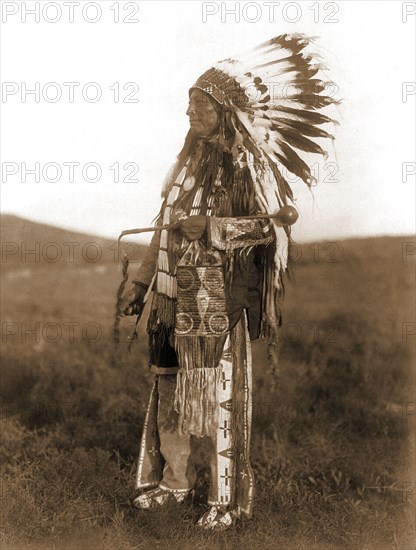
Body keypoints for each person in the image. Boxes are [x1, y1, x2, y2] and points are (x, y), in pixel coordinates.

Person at [119, 33, 337, 531]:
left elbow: (277, 223)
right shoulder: (186, 166)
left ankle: (226, 497)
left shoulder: (248, 167)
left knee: (219, 396)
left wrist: (214, 229)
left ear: (226, 112)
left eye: (201, 106)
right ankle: (173, 482)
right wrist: (140, 280)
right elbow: (163, 224)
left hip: (219, 301)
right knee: (170, 390)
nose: (190, 114)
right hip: (173, 300)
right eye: (189, 104)